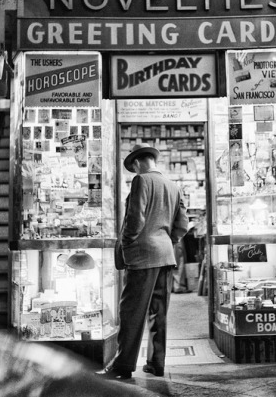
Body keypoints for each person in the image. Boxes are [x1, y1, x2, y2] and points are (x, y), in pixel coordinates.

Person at [98, 143, 189, 379]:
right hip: (165, 255)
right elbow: (182, 225)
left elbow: (135, 218)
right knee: (159, 313)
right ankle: (156, 363)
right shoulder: (173, 185)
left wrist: (128, 242)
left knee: (132, 312)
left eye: (133, 168)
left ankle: (123, 366)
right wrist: (167, 240)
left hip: (142, 255)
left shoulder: (141, 181)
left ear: (137, 163)